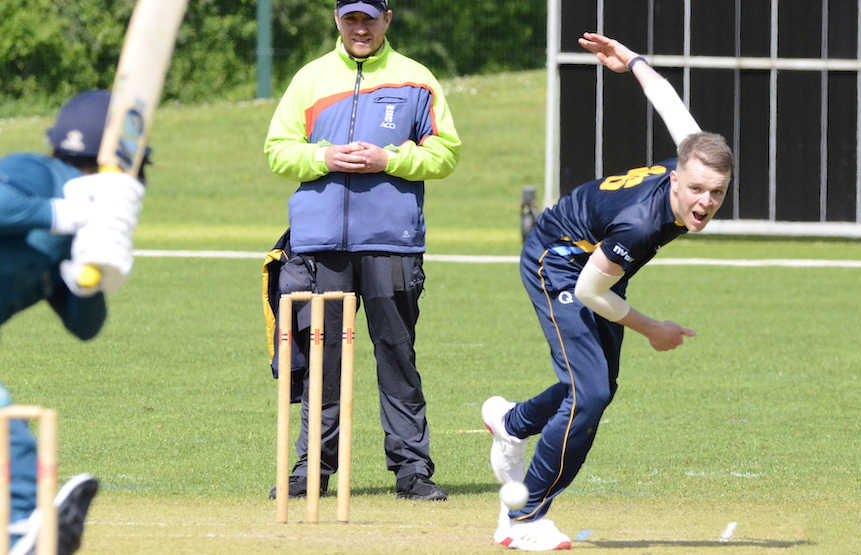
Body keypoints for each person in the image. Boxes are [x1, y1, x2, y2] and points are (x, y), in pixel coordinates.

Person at [481, 33, 734, 551]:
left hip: (593, 258)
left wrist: (632, 62)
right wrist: (654, 330)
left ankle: (512, 422)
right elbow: (593, 292)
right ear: (675, 180)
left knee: (595, 389)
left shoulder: (696, 160)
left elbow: (669, 102)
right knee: (590, 393)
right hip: (560, 260)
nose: (705, 203)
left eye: (717, 193)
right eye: (696, 191)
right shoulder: (640, 226)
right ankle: (523, 519)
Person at [264, 0, 460, 501]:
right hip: (318, 248)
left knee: (396, 356)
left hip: (391, 244)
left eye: (369, 19)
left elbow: (445, 154)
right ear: (337, 20)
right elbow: (278, 150)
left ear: (387, 20)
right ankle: (313, 470)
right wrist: (323, 156)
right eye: (351, 18)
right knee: (320, 360)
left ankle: (412, 472)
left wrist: (388, 158)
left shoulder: (417, 79)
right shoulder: (309, 79)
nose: (360, 28)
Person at [1, 90, 145, 554]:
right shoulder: (35, 173)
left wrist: (88, 282)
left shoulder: (93, 223)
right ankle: (23, 527)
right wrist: (61, 213)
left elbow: (85, 328)